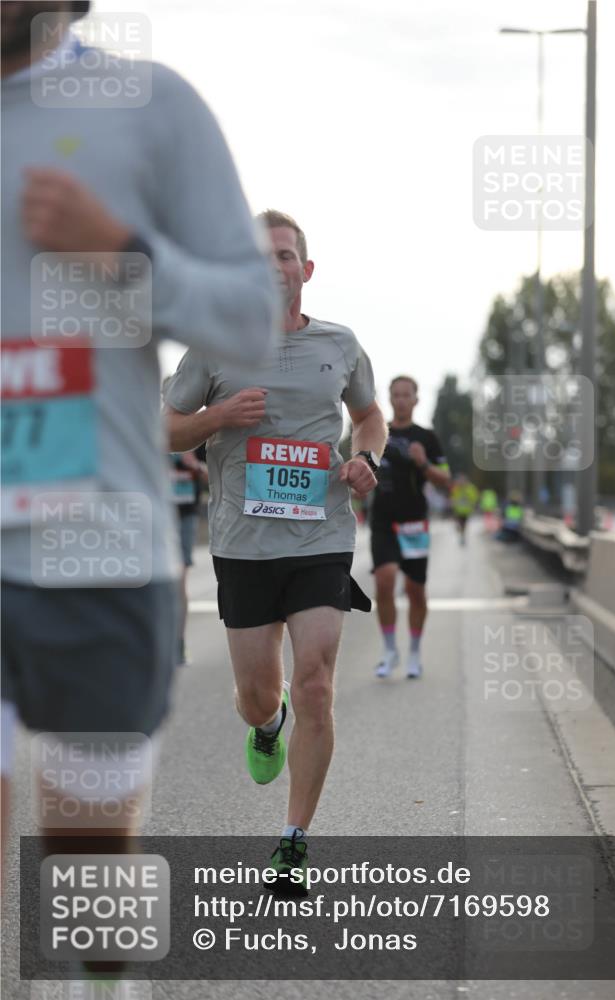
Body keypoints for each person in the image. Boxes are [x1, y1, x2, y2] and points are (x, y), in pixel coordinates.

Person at [1, 1, 277, 988]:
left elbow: (251, 321)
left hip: (94, 548)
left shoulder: (151, 109)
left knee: (88, 911)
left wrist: (120, 253)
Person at [164, 210, 386, 890]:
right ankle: (268, 723)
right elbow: (168, 429)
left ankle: (293, 841)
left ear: (304, 270)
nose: (273, 267)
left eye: (285, 256)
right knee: (260, 694)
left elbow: (368, 416)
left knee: (317, 683)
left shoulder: (339, 344)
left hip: (321, 535)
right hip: (242, 543)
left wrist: (363, 458)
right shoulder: (211, 347)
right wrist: (217, 419)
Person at [368, 376, 450, 680]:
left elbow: (446, 481)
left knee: (416, 590)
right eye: (396, 395)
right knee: (385, 581)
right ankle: (390, 650)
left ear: (416, 400)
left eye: (407, 395)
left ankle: (414, 650)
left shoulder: (426, 437)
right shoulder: (378, 433)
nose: (401, 400)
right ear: (389, 399)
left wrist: (423, 463)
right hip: (383, 521)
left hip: (415, 522)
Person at [168, 444, 208, 666]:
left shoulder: (196, 434)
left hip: (185, 516)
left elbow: (216, 477)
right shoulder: (152, 427)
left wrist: (195, 465)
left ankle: (179, 643)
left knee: (179, 578)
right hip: (154, 513)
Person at [450, 473, 479, 546]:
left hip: (466, 510)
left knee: (464, 525)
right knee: (459, 524)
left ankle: (463, 536)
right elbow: (452, 496)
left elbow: (474, 497)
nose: (461, 481)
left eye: (463, 480)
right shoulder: (456, 487)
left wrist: (472, 504)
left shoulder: (470, 488)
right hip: (458, 510)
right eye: (460, 480)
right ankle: (461, 533)